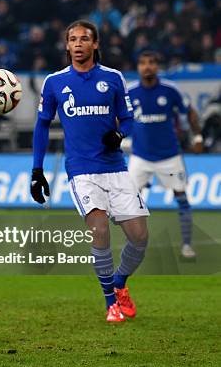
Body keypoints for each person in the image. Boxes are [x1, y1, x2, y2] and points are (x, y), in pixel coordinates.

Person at [30, 20, 149, 323]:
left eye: (85, 39)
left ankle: (119, 283)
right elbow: (42, 125)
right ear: (67, 46)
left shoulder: (113, 78)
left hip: (116, 168)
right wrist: (37, 169)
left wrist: (121, 136)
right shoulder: (55, 82)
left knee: (139, 238)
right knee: (99, 230)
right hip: (81, 170)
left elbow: (129, 119)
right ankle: (110, 302)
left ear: (95, 44)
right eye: (73, 39)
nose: (79, 44)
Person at [127, 50, 203, 259]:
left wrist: (197, 138)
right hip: (140, 157)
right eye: (143, 63)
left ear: (157, 66)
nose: (147, 66)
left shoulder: (170, 90)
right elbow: (118, 118)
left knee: (181, 197)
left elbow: (190, 112)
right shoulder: (130, 92)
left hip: (169, 156)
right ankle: (134, 243)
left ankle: (187, 245)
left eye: (151, 62)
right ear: (138, 67)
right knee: (129, 201)